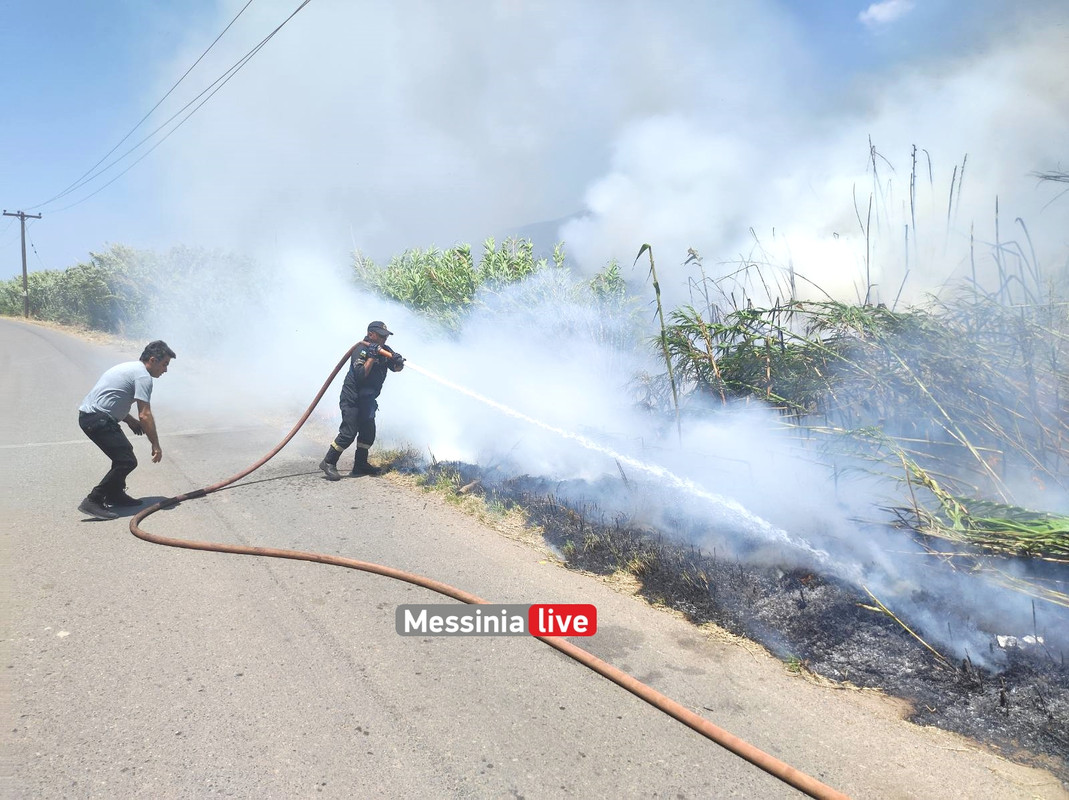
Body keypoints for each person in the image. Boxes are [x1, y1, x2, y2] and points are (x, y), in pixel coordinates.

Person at [76, 340, 176, 520]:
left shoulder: (131, 368)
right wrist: (155, 445)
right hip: (97, 419)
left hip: (93, 416)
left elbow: (113, 399)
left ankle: (115, 494)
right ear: (152, 360)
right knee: (126, 460)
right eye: (164, 364)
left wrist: (129, 420)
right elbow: (145, 415)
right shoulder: (143, 377)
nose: (166, 370)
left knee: (123, 454)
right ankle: (93, 500)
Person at [320, 321, 404, 480]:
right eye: (381, 336)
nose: (384, 339)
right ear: (371, 334)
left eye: (385, 336)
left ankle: (360, 464)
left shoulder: (385, 350)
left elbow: (396, 369)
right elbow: (360, 375)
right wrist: (371, 357)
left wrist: (398, 362)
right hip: (352, 399)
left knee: (368, 433)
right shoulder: (361, 349)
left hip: (368, 399)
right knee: (348, 433)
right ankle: (328, 462)